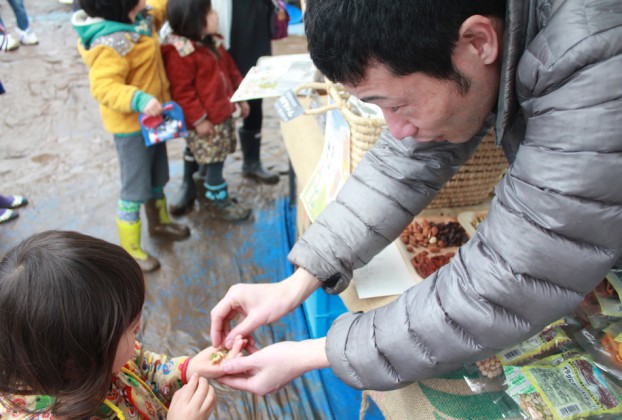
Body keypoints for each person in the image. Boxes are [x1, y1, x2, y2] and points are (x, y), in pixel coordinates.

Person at [209, 0, 622, 395]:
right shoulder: (457, 52)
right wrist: (297, 282)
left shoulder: (593, 64)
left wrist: (312, 353)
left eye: (396, 105)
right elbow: (406, 159)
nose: (398, 129)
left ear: (479, 41)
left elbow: (513, 275)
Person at [0, 230, 248, 418]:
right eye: (130, 329)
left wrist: (188, 369)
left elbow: (144, 367)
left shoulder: (105, 356)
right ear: (76, 361)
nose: (139, 330)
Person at [72, 0, 190, 273]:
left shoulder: (141, 19)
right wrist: (137, 98)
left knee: (158, 176)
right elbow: (103, 87)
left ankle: (159, 223)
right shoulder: (109, 43)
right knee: (134, 188)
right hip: (131, 129)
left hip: (154, 123)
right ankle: (131, 249)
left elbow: (160, 9)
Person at [161, 0, 251, 221]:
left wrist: (241, 97)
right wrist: (199, 120)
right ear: (193, 20)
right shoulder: (181, 53)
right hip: (206, 123)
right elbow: (183, 93)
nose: (216, 15)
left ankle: (206, 194)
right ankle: (217, 203)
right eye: (210, 12)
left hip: (221, 117)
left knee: (213, 160)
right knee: (214, 164)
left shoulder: (213, 43)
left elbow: (231, 72)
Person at [228, 0, 279, 184]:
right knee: (212, 91)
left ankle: (252, 162)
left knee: (256, 89)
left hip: (256, 22)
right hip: (226, 20)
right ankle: (202, 172)